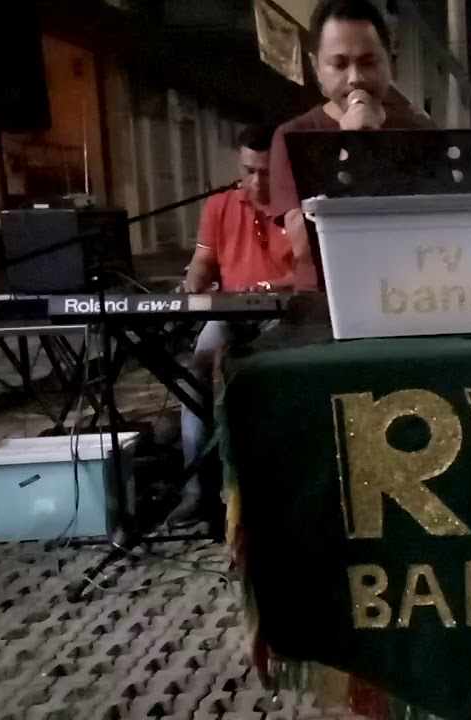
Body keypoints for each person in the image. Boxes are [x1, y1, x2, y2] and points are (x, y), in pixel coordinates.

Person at [267, 0, 435, 291]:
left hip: (408, 294)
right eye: (339, 64)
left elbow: (436, 231)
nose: (355, 78)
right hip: (326, 302)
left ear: (389, 61)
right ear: (316, 67)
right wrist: (347, 145)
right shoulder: (293, 136)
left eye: (368, 62)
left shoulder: (420, 132)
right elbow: (304, 247)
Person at [174, 123, 294, 521]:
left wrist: (267, 288)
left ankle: (270, 488)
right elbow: (203, 261)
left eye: (266, 172)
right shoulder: (219, 206)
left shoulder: (298, 208)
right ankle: (197, 491)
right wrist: (194, 282)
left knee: (263, 377)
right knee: (195, 376)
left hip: (286, 314)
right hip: (230, 313)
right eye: (249, 171)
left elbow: (311, 272)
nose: (257, 182)